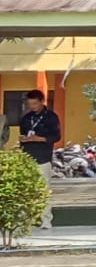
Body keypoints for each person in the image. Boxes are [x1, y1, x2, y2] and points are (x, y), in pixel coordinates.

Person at [17, 90, 61, 230]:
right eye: (30, 104)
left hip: (43, 157)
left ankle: (46, 220)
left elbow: (56, 136)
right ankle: (26, 220)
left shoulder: (51, 117)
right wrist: (24, 139)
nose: (32, 106)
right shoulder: (26, 118)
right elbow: (23, 134)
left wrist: (39, 138)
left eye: (35, 103)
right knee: (26, 190)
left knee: (44, 190)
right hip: (27, 157)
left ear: (42, 102)